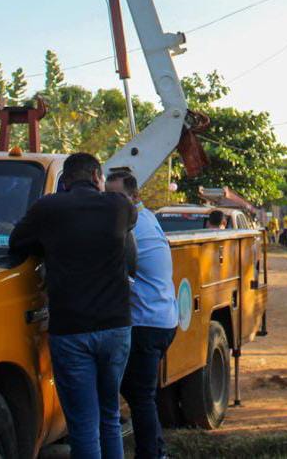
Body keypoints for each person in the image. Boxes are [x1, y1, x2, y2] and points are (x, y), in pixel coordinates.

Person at [9, 153, 137, 459]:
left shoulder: (48, 208)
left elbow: (16, 243)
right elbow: (129, 254)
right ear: (96, 176)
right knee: (109, 416)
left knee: (83, 425)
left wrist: (48, 242)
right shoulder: (119, 206)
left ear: (65, 181)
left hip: (71, 331)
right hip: (116, 328)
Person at [104, 172, 177, 459]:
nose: (111, 202)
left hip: (146, 323)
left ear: (134, 197)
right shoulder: (146, 218)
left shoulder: (131, 226)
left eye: (117, 196)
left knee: (139, 397)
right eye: (106, 195)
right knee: (137, 393)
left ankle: (153, 453)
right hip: (160, 319)